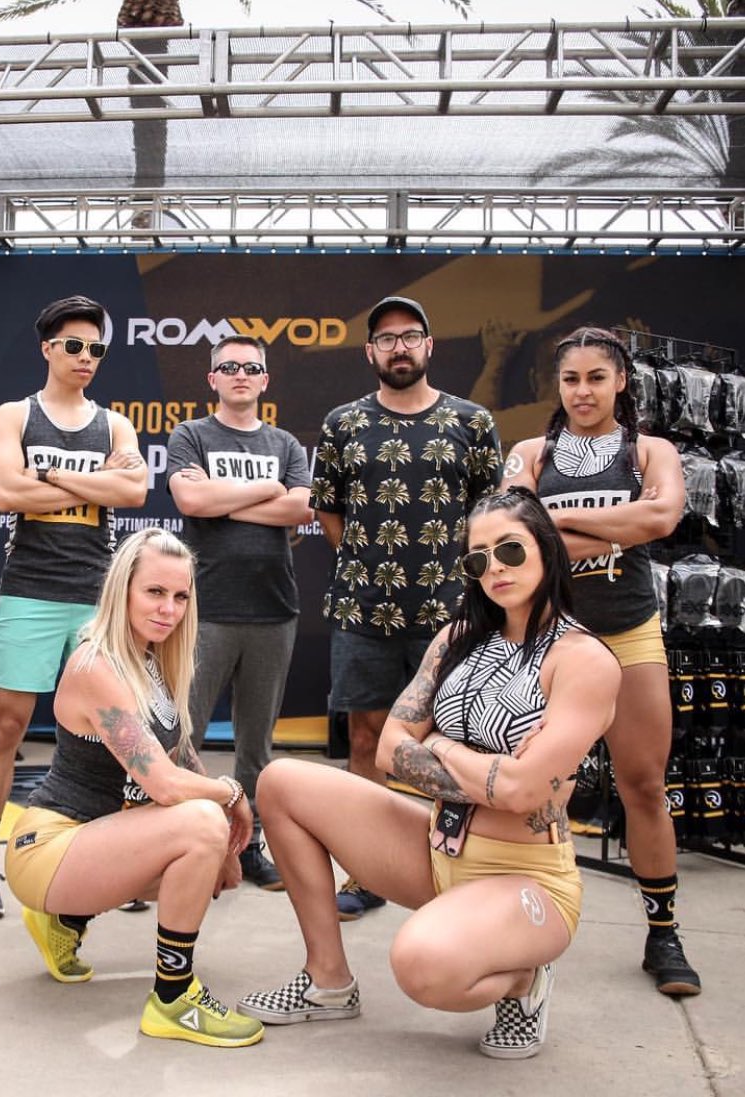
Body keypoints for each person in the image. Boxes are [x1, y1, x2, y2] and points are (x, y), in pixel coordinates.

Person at [238, 487, 620, 1059]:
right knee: (282, 783)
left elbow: (521, 793)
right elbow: (390, 749)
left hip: (525, 877)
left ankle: (524, 978)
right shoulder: (457, 640)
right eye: (478, 559)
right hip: (436, 851)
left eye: (509, 550)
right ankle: (328, 981)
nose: (495, 568)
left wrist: (439, 744)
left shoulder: (582, 659)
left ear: (545, 547)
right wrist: (489, 768)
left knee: (422, 967)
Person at [5, 527, 264, 1047]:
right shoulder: (95, 664)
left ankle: (66, 921)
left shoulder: (152, 658)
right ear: (122, 589)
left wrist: (221, 837)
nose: (169, 609)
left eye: (180, 596)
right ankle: (173, 997)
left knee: (208, 848)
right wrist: (232, 796)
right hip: (46, 847)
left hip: (91, 840)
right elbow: (164, 784)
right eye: (154, 592)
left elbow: (180, 754)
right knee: (200, 824)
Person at [502, 326, 701, 996]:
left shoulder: (649, 450)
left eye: (595, 377)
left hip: (628, 631)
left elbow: (662, 518)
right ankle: (514, 927)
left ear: (620, 381)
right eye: (570, 379)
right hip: (548, 638)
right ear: (556, 386)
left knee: (643, 785)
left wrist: (557, 528)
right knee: (534, 787)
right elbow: (514, 538)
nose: (582, 391)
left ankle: (663, 933)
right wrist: (621, 526)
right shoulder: (530, 453)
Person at [310, 295, 503, 919]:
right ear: (370, 351)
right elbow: (328, 511)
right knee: (367, 738)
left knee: (457, 742)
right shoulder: (342, 423)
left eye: (411, 336)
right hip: (363, 613)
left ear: (429, 346)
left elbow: (492, 515)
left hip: (455, 618)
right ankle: (367, 872)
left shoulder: (472, 422)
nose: (400, 347)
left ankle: (461, 867)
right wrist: (372, 565)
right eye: (387, 338)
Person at [0, 295, 147, 917]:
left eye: (96, 348)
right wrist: (95, 481)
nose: (86, 357)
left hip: (99, 599)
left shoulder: (115, 425)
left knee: (113, 733)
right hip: (29, 590)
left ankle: (115, 860)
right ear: (47, 349)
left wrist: (46, 477)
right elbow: (4, 491)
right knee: (8, 728)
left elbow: (135, 490)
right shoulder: (15, 415)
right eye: (74, 345)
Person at [166, 335, 313, 890]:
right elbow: (191, 501)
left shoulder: (285, 443)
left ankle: (249, 849)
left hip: (273, 611)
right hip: (205, 610)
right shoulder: (191, 435)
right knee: (182, 736)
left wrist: (226, 501)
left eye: (251, 367)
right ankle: (173, 845)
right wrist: (267, 490)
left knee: (257, 748)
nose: (241, 375)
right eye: (229, 367)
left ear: (265, 380)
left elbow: (301, 508)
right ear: (213, 379)